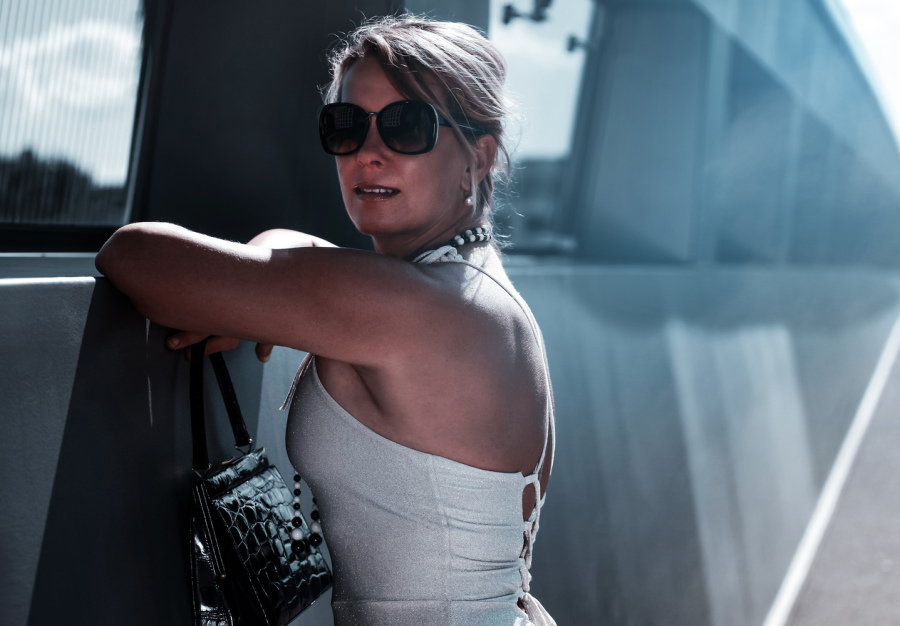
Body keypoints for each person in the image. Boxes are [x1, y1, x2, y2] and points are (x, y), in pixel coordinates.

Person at [96, 15, 555, 626]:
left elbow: (133, 255)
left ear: (479, 155)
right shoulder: (472, 292)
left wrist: (252, 292)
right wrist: (264, 280)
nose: (369, 152)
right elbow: (311, 255)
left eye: (406, 126)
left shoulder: (413, 308)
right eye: (347, 126)